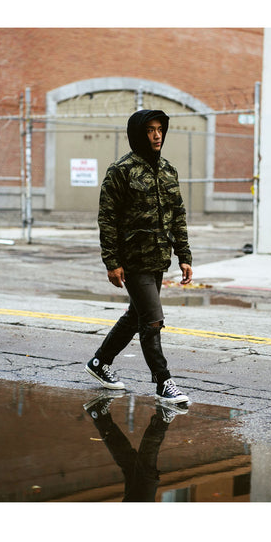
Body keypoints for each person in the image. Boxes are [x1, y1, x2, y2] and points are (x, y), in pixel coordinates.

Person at [85, 109, 191, 405]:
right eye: (149, 130)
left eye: (160, 129)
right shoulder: (121, 170)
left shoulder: (168, 170)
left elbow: (178, 216)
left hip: (159, 258)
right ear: (137, 134)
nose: (156, 135)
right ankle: (163, 382)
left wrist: (184, 254)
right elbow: (107, 218)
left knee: (137, 315)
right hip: (132, 261)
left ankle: (99, 363)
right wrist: (112, 261)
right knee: (152, 321)